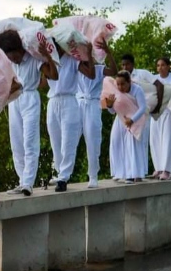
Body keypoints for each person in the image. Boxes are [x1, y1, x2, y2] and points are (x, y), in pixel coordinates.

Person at [0, 31, 58, 196]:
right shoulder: (11, 64)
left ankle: (28, 182)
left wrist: (48, 57)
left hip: (30, 99)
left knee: (30, 142)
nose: (12, 59)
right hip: (15, 101)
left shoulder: (34, 58)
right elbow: (13, 84)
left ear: (19, 49)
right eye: (9, 56)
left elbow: (53, 76)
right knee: (16, 143)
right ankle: (22, 180)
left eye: (13, 55)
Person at [46, 41, 96, 192]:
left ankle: (64, 177)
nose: (57, 49)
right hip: (53, 101)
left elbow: (91, 75)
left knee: (68, 141)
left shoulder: (73, 60)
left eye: (59, 46)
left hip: (69, 100)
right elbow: (43, 82)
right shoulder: (48, 59)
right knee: (55, 141)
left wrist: (89, 55)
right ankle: (59, 172)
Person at [77, 40, 118, 188]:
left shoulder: (100, 69)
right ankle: (61, 173)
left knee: (93, 140)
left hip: (93, 105)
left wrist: (108, 51)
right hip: (78, 104)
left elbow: (114, 71)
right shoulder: (78, 66)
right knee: (69, 139)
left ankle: (93, 175)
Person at [119, 55, 162, 181]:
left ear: (132, 64)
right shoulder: (122, 78)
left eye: (127, 64)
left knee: (141, 142)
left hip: (142, 114)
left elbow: (159, 85)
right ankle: (132, 172)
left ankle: (140, 172)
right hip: (127, 117)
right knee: (128, 144)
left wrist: (157, 105)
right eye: (123, 65)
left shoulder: (143, 74)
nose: (125, 67)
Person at [103, 71, 148, 183]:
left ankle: (131, 174)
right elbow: (112, 111)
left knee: (131, 146)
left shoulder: (137, 90)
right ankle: (119, 172)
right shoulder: (115, 91)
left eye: (123, 84)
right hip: (120, 120)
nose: (120, 87)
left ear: (129, 82)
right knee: (115, 143)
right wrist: (109, 105)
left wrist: (132, 120)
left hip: (134, 121)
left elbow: (142, 108)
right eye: (118, 84)